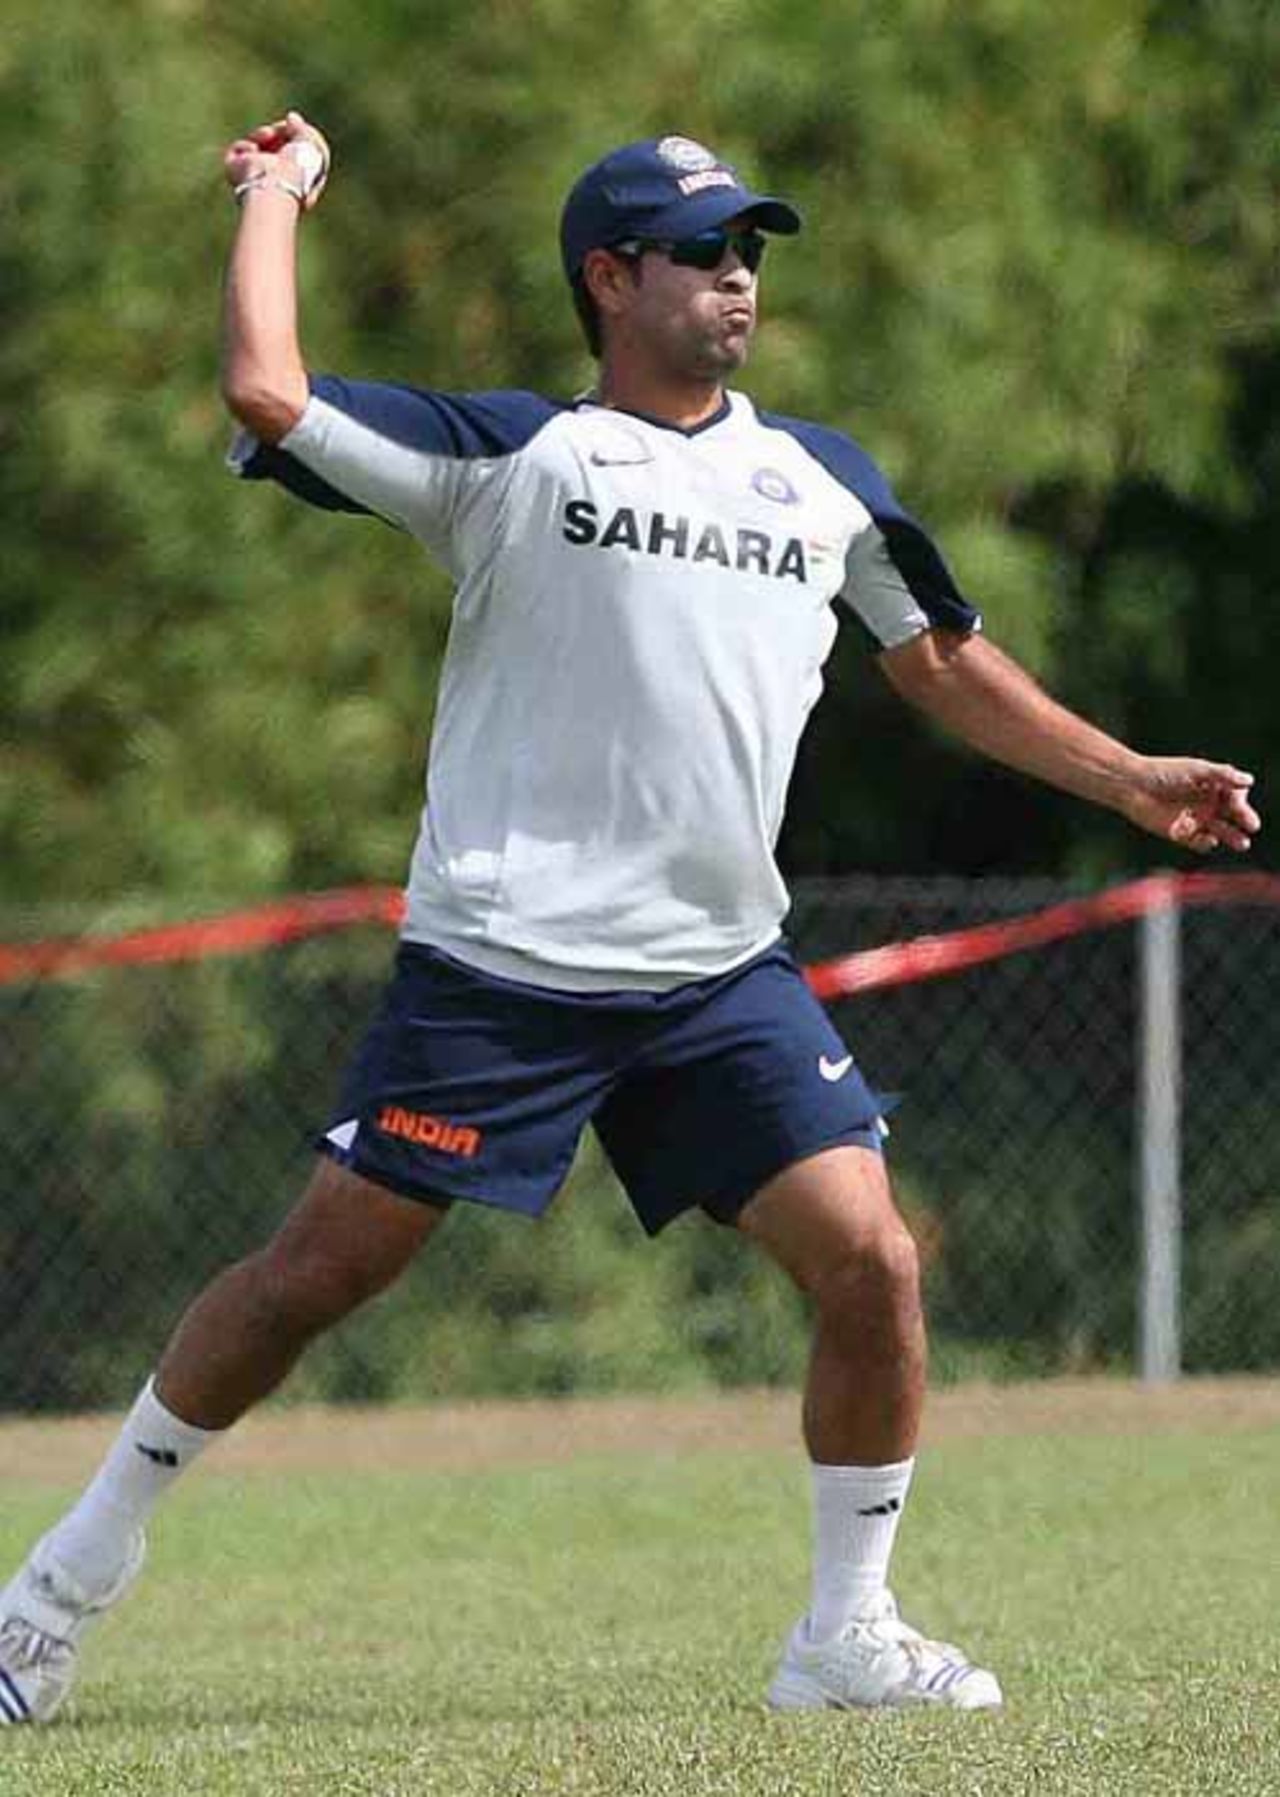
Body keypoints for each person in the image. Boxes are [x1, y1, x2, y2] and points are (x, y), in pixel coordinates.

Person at [0, 115, 1260, 1730]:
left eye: (750, 251)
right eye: (703, 250)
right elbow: (265, 388)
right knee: (308, 1280)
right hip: (502, 974)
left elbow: (940, 660)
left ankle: (845, 1633)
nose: (737, 278)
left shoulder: (818, 479)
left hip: (718, 976)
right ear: (610, 277)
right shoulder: (511, 457)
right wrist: (271, 194)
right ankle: (61, 1586)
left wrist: (1131, 777)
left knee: (873, 1259)